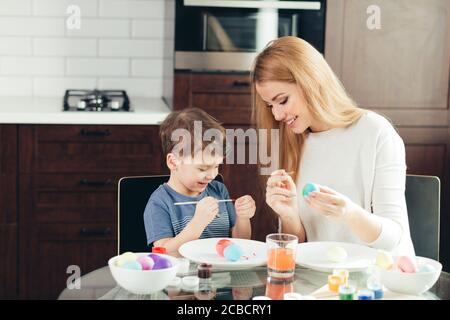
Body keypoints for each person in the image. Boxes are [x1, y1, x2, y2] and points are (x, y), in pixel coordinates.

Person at [251, 36, 415, 256]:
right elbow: (299, 248)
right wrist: (289, 215)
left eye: (282, 101)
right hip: (319, 282)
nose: (278, 114)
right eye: (270, 105)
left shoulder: (375, 132)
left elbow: (394, 238)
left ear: (310, 80)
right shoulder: (292, 141)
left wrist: (349, 213)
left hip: (377, 279)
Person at [143, 108, 256, 253]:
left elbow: (241, 242)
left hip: (221, 273)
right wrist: (197, 224)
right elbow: (163, 251)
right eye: (202, 169)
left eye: (216, 166)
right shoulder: (160, 202)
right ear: (173, 162)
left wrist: (243, 217)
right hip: (185, 274)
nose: (212, 175)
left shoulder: (218, 190)